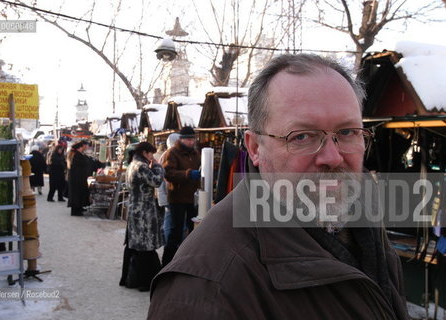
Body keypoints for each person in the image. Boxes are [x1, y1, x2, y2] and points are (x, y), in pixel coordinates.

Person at [147, 54, 409, 319]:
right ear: (255, 147)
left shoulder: (364, 224)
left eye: (347, 132)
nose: (332, 157)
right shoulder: (208, 289)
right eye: (302, 136)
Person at [120, 142, 164, 292]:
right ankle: (145, 281)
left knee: (135, 245)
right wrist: (158, 166)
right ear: (146, 153)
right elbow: (156, 181)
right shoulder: (141, 166)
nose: (152, 156)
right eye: (151, 153)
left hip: (135, 208)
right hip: (143, 211)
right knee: (145, 246)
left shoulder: (133, 164)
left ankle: (130, 278)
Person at [160, 126, 201, 266]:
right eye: (188, 139)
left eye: (192, 139)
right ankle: (166, 263)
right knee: (175, 231)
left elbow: (201, 169)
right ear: (182, 139)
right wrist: (188, 174)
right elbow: (168, 173)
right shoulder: (172, 153)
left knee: (193, 231)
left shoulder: (195, 154)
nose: (191, 142)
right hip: (177, 197)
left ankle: (186, 262)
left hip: (192, 198)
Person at [67, 141, 90, 216]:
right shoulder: (77, 155)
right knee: (76, 195)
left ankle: (79, 208)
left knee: (78, 194)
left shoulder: (76, 154)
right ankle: (76, 211)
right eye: (83, 146)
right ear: (80, 147)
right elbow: (83, 163)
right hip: (77, 178)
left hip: (77, 178)